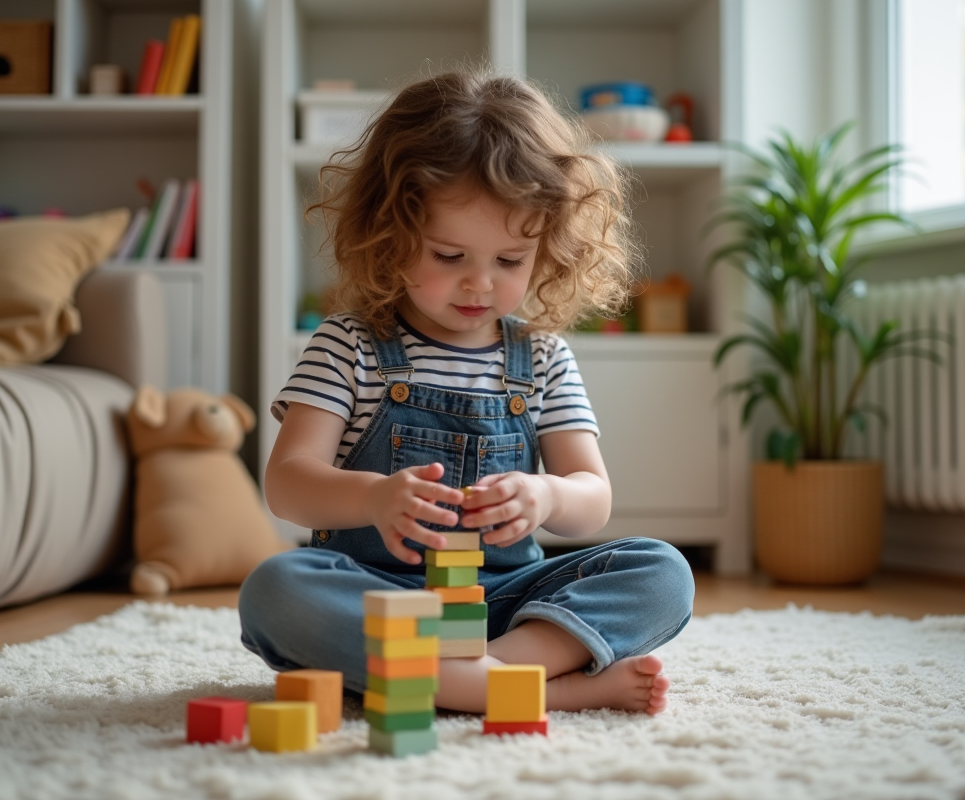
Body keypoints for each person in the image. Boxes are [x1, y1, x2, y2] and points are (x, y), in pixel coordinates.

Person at [239, 70, 695, 716]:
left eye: (510, 261)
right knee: (275, 590)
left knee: (663, 573)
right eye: (449, 256)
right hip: (380, 597)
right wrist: (373, 495)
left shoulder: (541, 359)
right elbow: (287, 483)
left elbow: (592, 500)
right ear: (390, 232)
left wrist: (546, 496)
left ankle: (460, 678)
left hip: (505, 602)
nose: (479, 284)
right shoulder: (349, 345)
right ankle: (538, 688)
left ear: (547, 245)